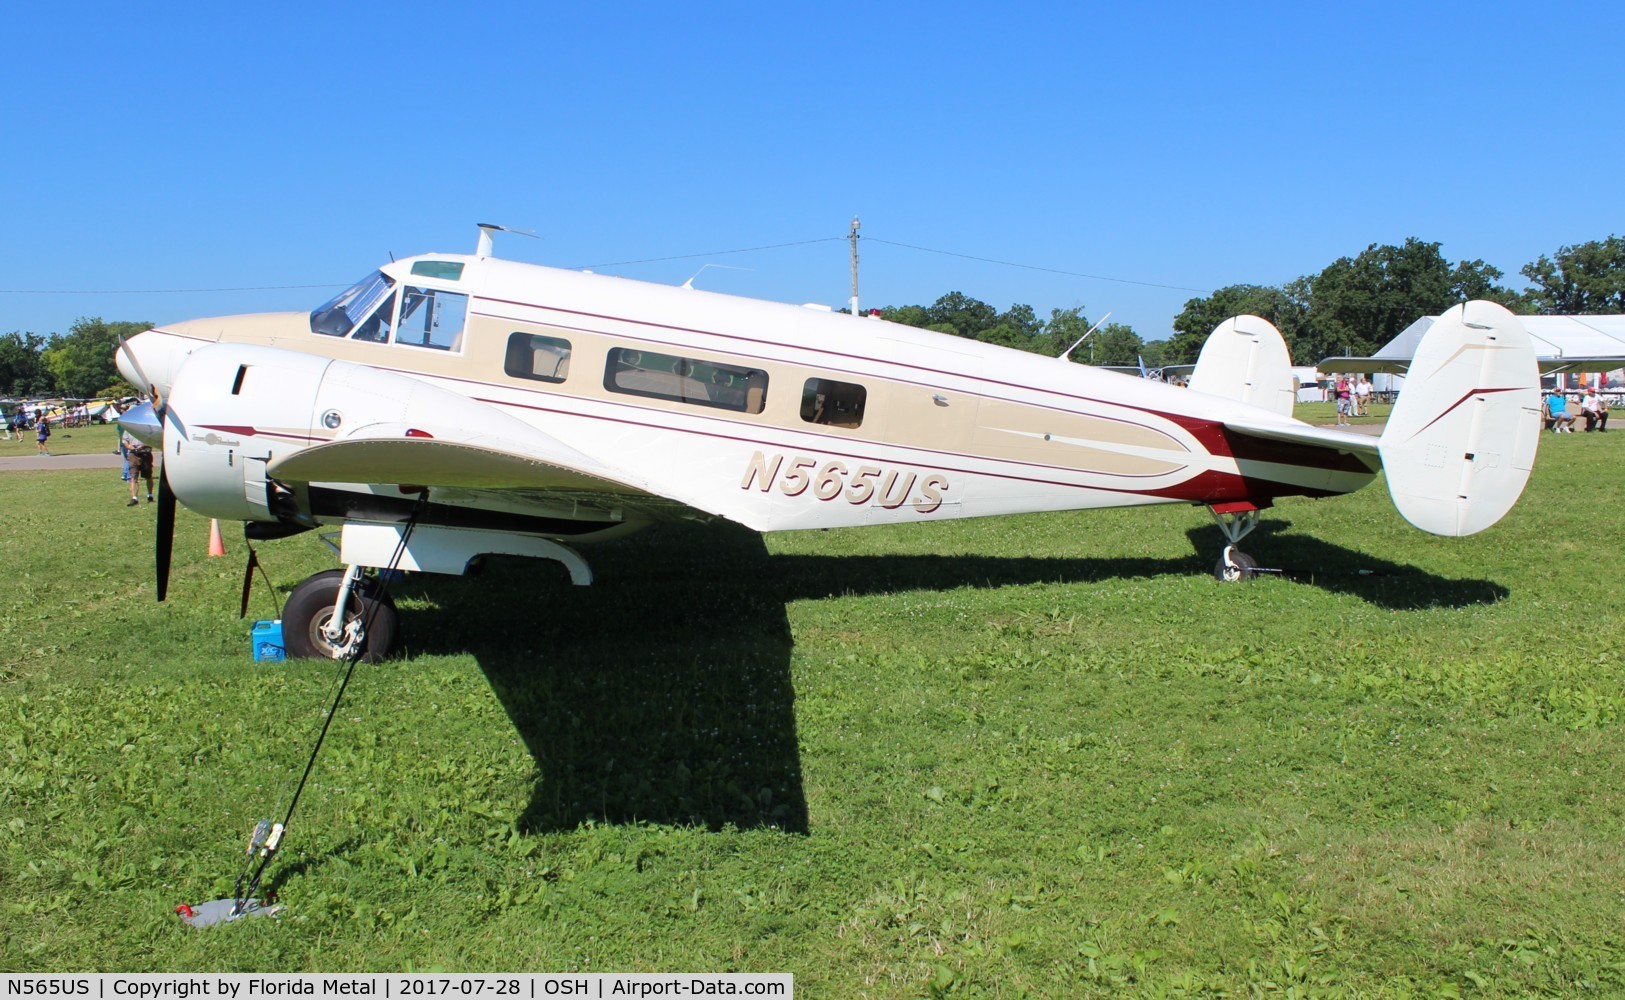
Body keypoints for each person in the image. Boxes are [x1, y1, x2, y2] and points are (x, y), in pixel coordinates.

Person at [124, 432, 154, 505]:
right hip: (133, 455)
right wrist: (130, 447)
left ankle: (150, 495)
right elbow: (125, 442)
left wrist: (143, 446)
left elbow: (152, 441)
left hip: (145, 455)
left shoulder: (146, 428)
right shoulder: (128, 429)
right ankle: (134, 498)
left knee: (148, 476)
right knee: (133, 477)